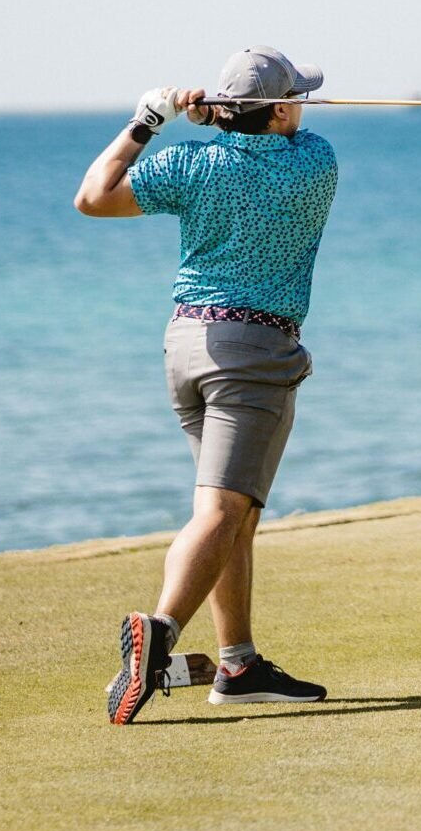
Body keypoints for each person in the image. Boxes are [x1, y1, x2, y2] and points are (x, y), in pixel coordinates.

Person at [74, 46, 339, 725]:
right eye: (296, 98)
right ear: (279, 109)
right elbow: (285, 133)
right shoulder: (313, 163)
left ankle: (238, 663)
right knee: (222, 513)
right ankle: (158, 634)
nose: (305, 105)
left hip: (186, 347)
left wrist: (151, 118)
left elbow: (93, 196)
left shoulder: (189, 164)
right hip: (253, 354)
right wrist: (227, 119)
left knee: (235, 513)